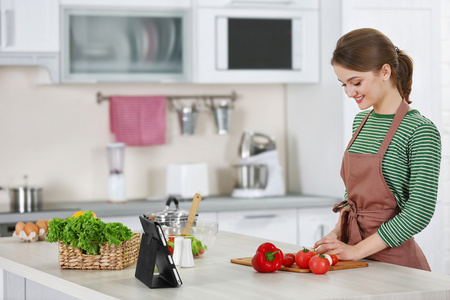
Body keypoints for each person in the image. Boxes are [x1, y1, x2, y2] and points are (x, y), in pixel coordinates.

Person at [313, 28, 441, 271]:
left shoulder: (420, 130)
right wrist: (335, 236)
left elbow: (420, 210)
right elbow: (354, 199)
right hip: (353, 261)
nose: (350, 93)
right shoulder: (361, 123)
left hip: (395, 266)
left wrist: (356, 251)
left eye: (356, 82)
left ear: (385, 71)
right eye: (344, 85)